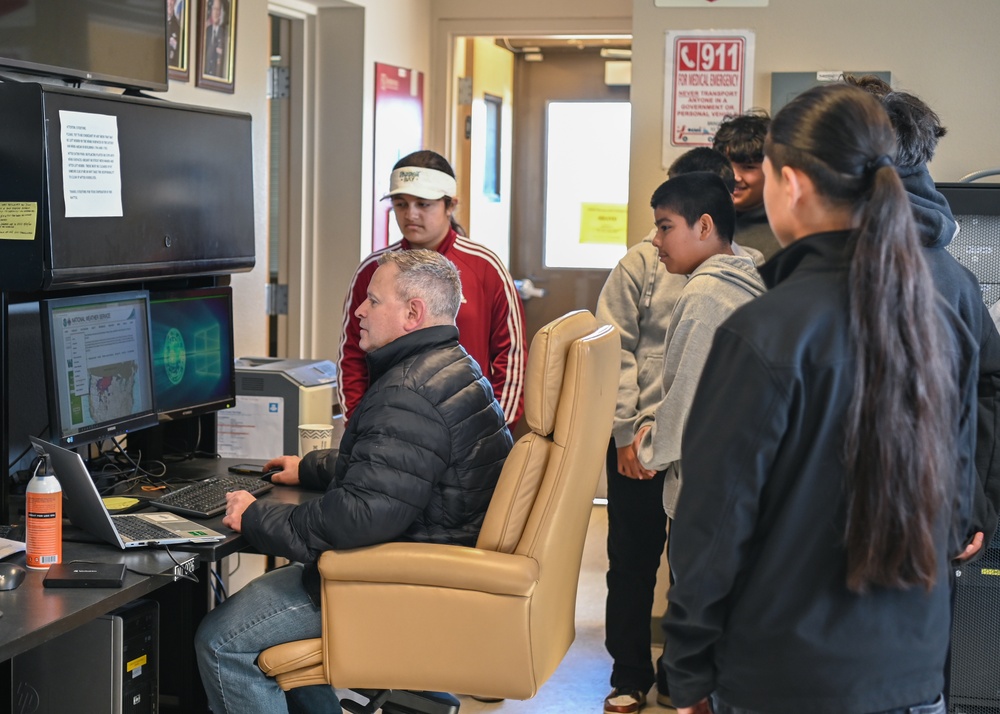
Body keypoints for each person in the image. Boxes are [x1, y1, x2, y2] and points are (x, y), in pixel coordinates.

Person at [663, 83, 978, 714]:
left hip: (786, 677)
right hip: (912, 672)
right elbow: (956, 486)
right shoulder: (938, 312)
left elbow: (714, 523)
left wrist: (688, 669)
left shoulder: (765, 331)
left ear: (793, 186)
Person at [195, 249, 514, 714]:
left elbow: (361, 517)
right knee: (272, 643)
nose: (360, 311)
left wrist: (257, 515)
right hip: (429, 564)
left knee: (221, 640)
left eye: (373, 300)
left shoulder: (408, 392)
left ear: (413, 313)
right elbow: (398, 464)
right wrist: (310, 467)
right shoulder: (452, 366)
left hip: (389, 583)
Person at [598, 148, 761, 714]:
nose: (659, 237)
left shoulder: (718, 285)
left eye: (669, 224)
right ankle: (631, 675)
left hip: (686, 456)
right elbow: (611, 350)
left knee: (694, 583)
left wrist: (656, 442)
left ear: (708, 219)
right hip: (643, 449)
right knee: (636, 565)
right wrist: (627, 435)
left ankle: (685, 683)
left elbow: (690, 391)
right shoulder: (642, 266)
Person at [844, 73, 1000, 552]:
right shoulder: (955, 275)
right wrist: (973, 506)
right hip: (932, 532)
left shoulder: (853, 268)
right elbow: (987, 391)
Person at [338, 150, 526, 429]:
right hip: (389, 426)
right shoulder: (373, 270)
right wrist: (360, 425)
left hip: (470, 428)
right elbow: (352, 354)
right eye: (401, 204)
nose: (410, 215)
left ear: (450, 206)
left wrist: (492, 428)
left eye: (423, 204)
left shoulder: (485, 267)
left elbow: (511, 357)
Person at [632, 171, 765, 518]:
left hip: (707, 498)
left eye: (666, 227)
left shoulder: (705, 296)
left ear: (704, 227)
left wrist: (649, 444)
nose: (656, 241)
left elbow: (685, 404)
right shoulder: (745, 277)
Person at [712, 110, 781, 260]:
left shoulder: (785, 231)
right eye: (726, 166)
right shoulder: (702, 220)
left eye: (748, 167)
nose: (734, 177)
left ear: (772, 169)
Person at [203, 0, 228, 78]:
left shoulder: (225, 35)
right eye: (214, 9)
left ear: (222, 13)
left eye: (219, 10)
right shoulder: (206, 32)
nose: (216, 13)